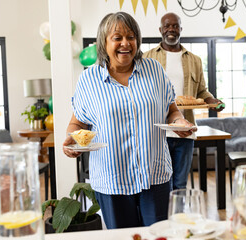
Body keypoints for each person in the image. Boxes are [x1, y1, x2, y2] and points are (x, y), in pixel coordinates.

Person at [62, 12, 195, 229]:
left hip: (155, 175)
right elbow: (78, 124)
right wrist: (72, 141)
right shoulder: (89, 79)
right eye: (117, 38)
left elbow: (171, 111)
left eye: (131, 37)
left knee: (158, 234)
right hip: (111, 179)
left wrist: (179, 122)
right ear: (104, 42)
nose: (126, 43)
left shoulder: (155, 70)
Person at [143, 12, 224, 190]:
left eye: (175, 26)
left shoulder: (194, 60)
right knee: (159, 183)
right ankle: (161, 218)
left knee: (180, 183)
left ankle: (176, 217)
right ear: (160, 30)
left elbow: (201, 91)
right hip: (157, 131)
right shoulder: (146, 58)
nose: (171, 29)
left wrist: (212, 101)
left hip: (185, 130)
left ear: (180, 29)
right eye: (167, 26)